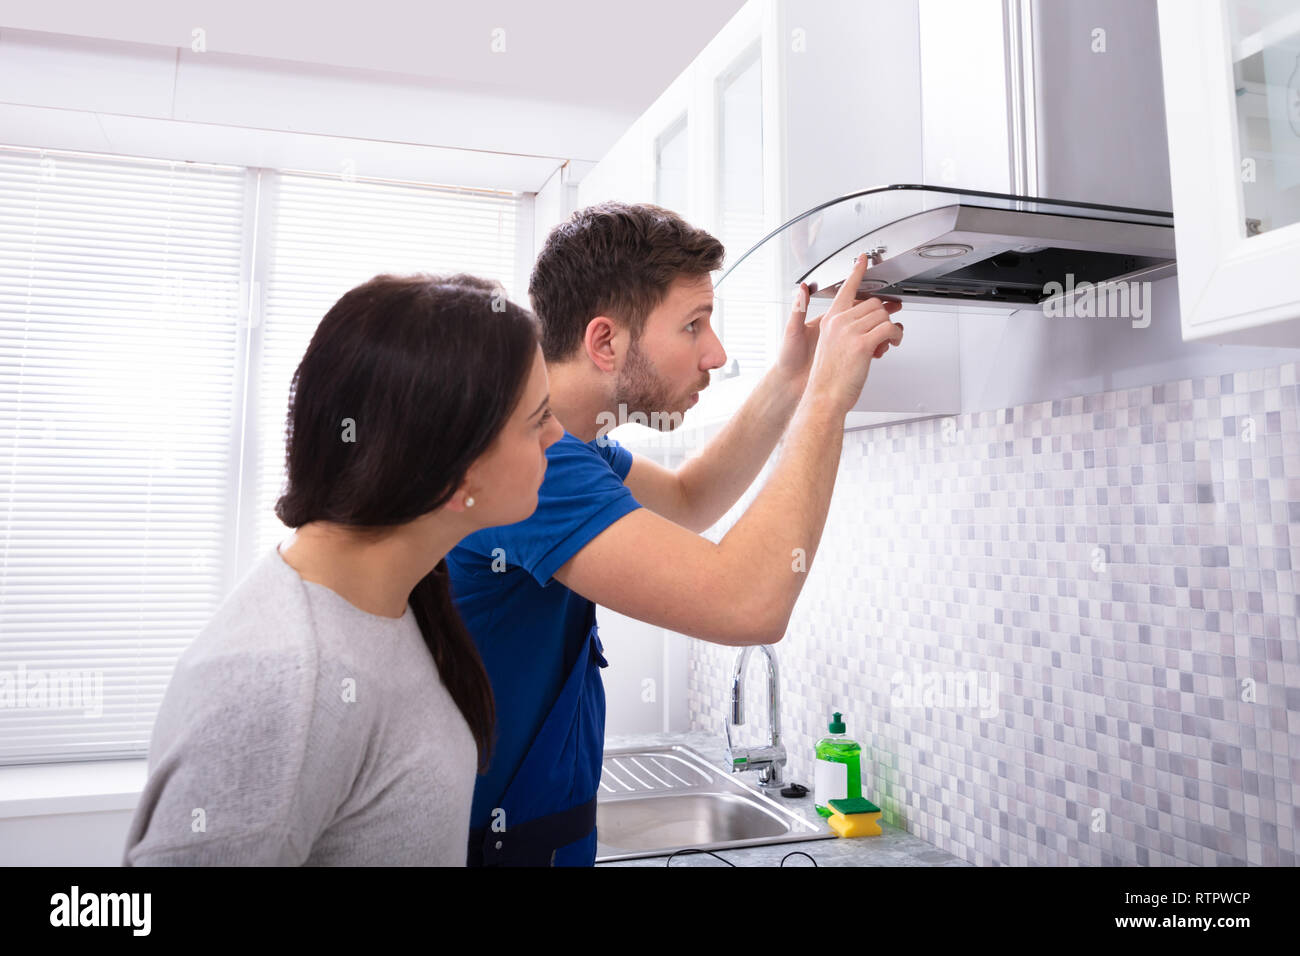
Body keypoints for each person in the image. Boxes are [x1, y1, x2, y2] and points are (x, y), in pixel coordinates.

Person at [448, 201, 904, 866]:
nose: (716, 353)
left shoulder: (575, 449)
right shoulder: (537, 467)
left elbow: (690, 499)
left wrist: (790, 379)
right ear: (605, 342)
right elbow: (749, 602)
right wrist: (826, 399)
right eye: (693, 325)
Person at [122, 273, 563, 865]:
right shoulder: (279, 682)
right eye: (537, 420)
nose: (557, 435)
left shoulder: (401, 597)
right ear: (455, 473)